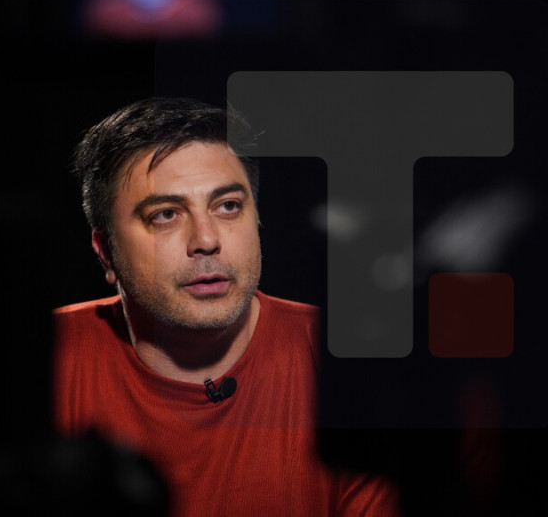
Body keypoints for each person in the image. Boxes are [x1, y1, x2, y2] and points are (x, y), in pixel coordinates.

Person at [52, 96, 401, 516]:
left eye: (228, 206)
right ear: (106, 252)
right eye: (165, 214)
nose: (206, 239)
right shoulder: (40, 360)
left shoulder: (350, 365)